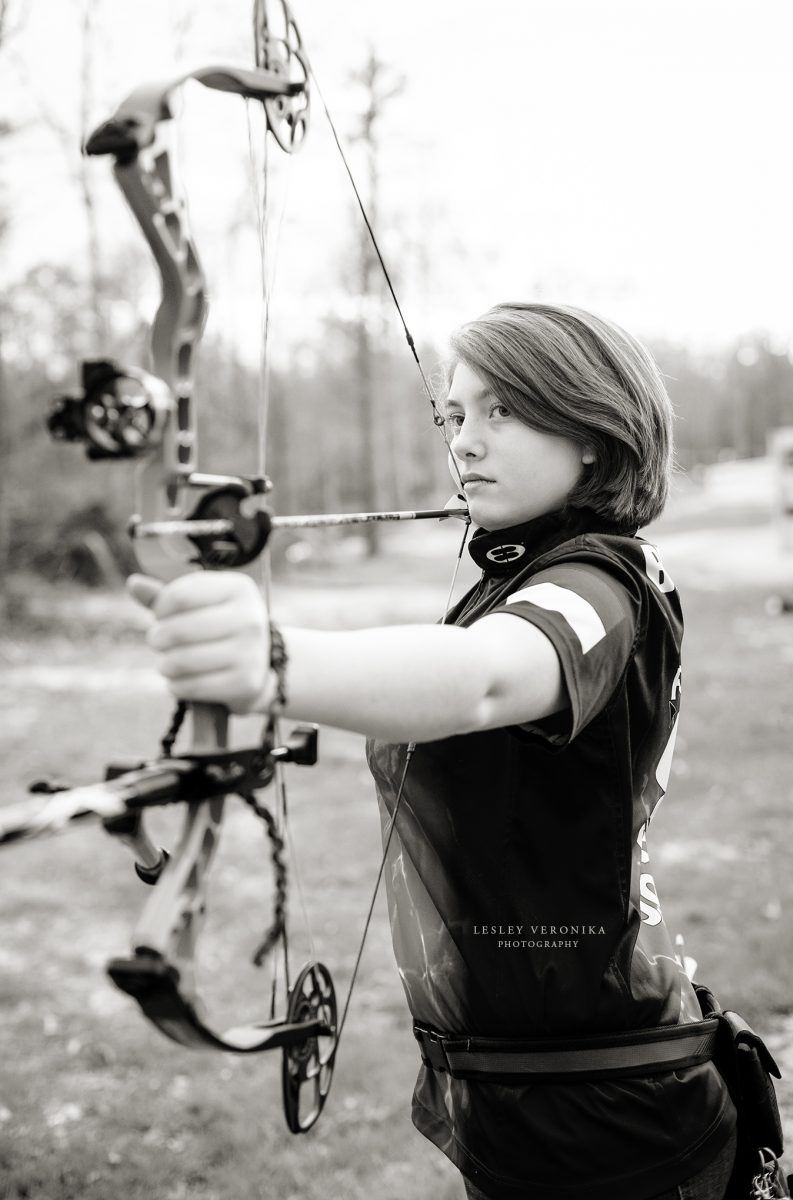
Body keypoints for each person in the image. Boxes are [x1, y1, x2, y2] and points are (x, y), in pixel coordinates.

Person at [129, 302, 737, 1200]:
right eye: (455, 415)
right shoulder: (522, 580)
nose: (465, 441)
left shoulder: (599, 588)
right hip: (521, 1095)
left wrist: (270, 659)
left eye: (504, 410)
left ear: (595, 433)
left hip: (614, 1114)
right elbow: (432, 680)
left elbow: (483, 677)